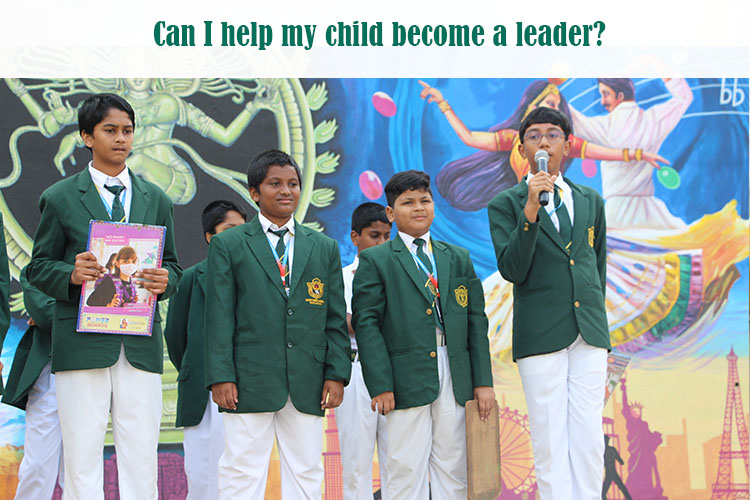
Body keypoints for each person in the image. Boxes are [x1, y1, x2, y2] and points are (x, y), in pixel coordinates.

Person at [26, 93, 182, 500]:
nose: (121, 139)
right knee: (81, 455)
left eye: (127, 131)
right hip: (81, 344)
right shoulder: (60, 197)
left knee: (141, 455)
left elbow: (174, 267)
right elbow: (38, 266)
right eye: (109, 130)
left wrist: (166, 281)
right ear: (85, 137)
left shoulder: (157, 198)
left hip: (139, 343)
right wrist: (71, 274)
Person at [204, 149, 351, 499]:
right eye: (275, 184)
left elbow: (334, 317)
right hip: (248, 378)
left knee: (306, 469)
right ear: (255, 193)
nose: (286, 191)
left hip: (308, 378)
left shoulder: (324, 247)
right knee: (242, 468)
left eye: (293, 184)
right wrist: (221, 375)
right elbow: (219, 315)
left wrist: (336, 373)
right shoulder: (229, 244)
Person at [487, 107, 610, 500]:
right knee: (549, 436)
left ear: (567, 144)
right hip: (540, 332)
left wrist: (592, 309)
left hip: (588, 331)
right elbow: (512, 268)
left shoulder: (589, 199)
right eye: (535, 136)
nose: (544, 142)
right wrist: (530, 211)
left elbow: (596, 262)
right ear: (523, 148)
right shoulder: (506, 204)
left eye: (553, 135)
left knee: (589, 435)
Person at [352, 170, 494, 500]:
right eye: (408, 202)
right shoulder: (376, 260)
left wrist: (483, 382)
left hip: (455, 371)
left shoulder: (456, 257)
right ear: (390, 212)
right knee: (404, 467)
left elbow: (476, 321)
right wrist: (381, 384)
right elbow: (367, 324)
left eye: (425, 201)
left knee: (454, 465)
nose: (419, 208)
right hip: (404, 378)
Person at [418, 79, 667, 212]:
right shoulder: (513, 139)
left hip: (556, 209)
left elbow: (601, 152)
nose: (554, 109)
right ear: (531, 107)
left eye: (556, 106)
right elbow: (470, 138)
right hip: (523, 210)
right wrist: (443, 103)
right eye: (548, 102)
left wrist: (639, 154)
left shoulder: (566, 143)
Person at [164, 200, 247, 500]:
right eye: (229, 229)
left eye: (244, 230)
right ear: (210, 237)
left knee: (242, 471)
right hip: (202, 387)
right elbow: (175, 336)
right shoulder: (189, 278)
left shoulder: (257, 278)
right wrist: (199, 367)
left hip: (247, 388)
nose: (239, 236)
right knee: (201, 471)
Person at [567, 78, 692, 230]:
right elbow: (684, 97)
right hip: (651, 212)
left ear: (619, 96)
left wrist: (552, 92)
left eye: (606, 94)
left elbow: (573, 118)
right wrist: (660, 68)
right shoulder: (653, 121)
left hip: (616, 213)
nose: (602, 101)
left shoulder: (605, 127)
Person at [335, 202, 392, 500]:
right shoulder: (343, 277)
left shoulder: (401, 275)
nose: (381, 243)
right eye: (374, 235)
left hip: (396, 371)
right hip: (357, 371)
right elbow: (348, 323)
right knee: (356, 462)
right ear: (355, 237)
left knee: (398, 460)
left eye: (386, 236)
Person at [2, 266, 64, 499]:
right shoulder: (38, 269)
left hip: (92, 373)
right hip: (49, 374)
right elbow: (46, 313)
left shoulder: (109, 263)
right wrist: (90, 313)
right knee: (37, 465)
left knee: (81, 469)